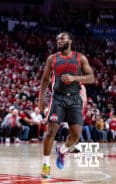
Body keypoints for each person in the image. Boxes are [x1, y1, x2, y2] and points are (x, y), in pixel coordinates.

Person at [38, 32, 94, 178]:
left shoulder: (80, 57)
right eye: (57, 39)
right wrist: (41, 100)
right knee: (51, 132)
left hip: (75, 99)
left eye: (62, 38)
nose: (59, 41)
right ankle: (45, 165)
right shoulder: (52, 59)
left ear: (70, 40)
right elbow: (45, 79)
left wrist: (74, 78)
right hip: (57, 99)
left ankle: (62, 151)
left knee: (75, 136)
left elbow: (91, 78)